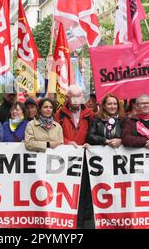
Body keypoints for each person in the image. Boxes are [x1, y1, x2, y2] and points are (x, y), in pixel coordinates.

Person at [55, 85, 94, 229]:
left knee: (85, 189)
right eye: (73, 96)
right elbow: (55, 134)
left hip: (85, 157)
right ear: (67, 98)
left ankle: (85, 222)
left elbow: (93, 132)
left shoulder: (90, 114)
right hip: (66, 158)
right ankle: (70, 220)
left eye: (79, 96)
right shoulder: (60, 114)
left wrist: (89, 143)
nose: (77, 99)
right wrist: (66, 142)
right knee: (69, 190)